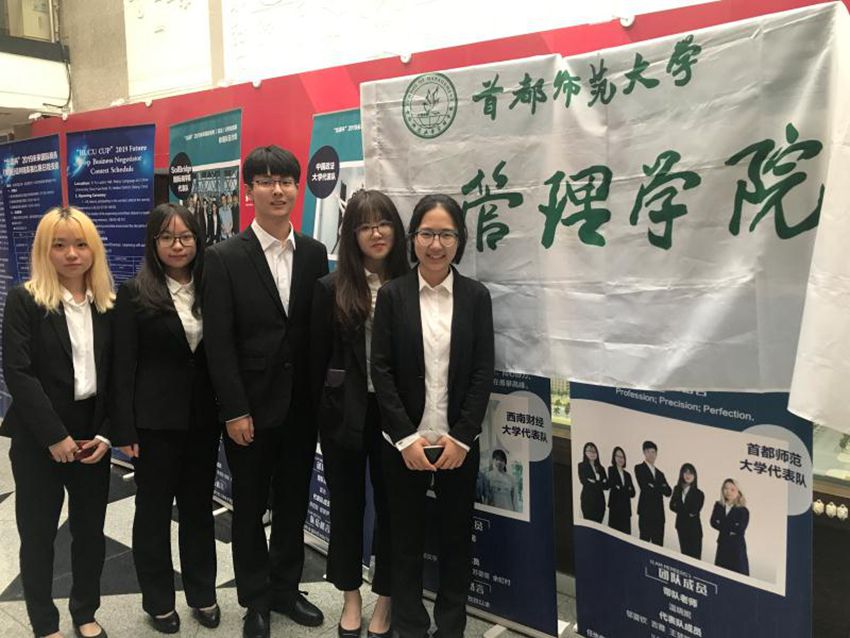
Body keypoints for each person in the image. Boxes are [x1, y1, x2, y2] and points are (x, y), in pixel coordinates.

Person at [203, 145, 329, 638]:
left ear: (298, 188)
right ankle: (255, 599)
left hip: (300, 407)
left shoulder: (314, 253)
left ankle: (285, 589)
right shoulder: (224, 257)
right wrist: (234, 409)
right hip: (249, 410)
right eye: (266, 181)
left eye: (286, 181)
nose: (278, 190)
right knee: (250, 507)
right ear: (249, 190)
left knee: (294, 502)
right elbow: (219, 342)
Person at [372, 193, 495, 638]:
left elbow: (483, 370)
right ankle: (409, 624)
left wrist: (462, 438)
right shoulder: (393, 295)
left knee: (455, 541)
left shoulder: (476, 297)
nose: (436, 244)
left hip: (457, 445)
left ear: (459, 240)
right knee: (404, 540)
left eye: (446, 234)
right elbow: (381, 370)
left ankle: (450, 626)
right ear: (413, 238)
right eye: (427, 233)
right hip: (405, 444)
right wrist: (405, 438)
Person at [2, 206, 115, 638]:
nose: (72, 254)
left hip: (92, 435)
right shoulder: (25, 301)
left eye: (81, 244)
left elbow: (119, 375)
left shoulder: (108, 304)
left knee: (90, 534)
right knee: (38, 536)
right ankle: (44, 622)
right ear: (44, 251)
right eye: (60, 245)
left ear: (94, 250)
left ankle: (85, 612)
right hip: (38, 437)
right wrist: (54, 436)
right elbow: (18, 372)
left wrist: (106, 434)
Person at [111, 203, 221, 633]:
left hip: (203, 420)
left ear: (198, 240)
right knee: (153, 512)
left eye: (186, 236)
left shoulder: (212, 287)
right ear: (153, 243)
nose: (178, 245)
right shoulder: (134, 293)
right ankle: (158, 600)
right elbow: (123, 366)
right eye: (167, 237)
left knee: (198, 509)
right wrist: (124, 428)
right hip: (153, 423)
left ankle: (202, 592)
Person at [310, 189, 408, 638]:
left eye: (383, 223)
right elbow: (315, 361)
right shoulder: (330, 288)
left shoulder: (410, 285)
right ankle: (350, 597)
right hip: (343, 415)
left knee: (393, 509)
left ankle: (385, 599)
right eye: (365, 226)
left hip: (397, 416)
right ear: (351, 234)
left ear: (396, 230)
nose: (376, 233)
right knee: (347, 507)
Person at [634, 440, 672, 545]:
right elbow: (644, 487)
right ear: (644, 452)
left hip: (659, 515)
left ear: (656, 454)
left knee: (658, 545)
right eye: (648, 452)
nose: (651, 455)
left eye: (653, 452)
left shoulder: (660, 473)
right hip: (645, 512)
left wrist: (653, 485)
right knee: (644, 543)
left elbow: (668, 492)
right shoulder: (639, 468)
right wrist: (660, 486)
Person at [710, 478, 750, 575]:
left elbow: (739, 530)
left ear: (738, 492)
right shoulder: (719, 505)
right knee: (720, 574)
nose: (728, 492)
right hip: (722, 544)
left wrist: (722, 524)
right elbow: (713, 522)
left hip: (736, 548)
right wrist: (730, 527)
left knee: (738, 576)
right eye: (726, 488)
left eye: (732, 489)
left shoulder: (743, 510)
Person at [669, 463, 704, 559]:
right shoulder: (677, 489)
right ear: (682, 474)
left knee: (695, 558)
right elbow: (671, 506)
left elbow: (693, 511)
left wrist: (679, 507)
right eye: (686, 472)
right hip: (681, 527)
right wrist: (685, 509)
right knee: (684, 556)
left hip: (694, 530)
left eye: (691, 473)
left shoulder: (699, 494)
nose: (688, 475)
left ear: (694, 476)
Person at [607, 446, 635, 534]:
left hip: (626, 509)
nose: (620, 459)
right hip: (615, 508)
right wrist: (626, 489)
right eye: (618, 456)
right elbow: (612, 485)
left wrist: (621, 488)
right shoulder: (611, 470)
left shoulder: (628, 475)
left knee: (626, 536)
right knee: (613, 535)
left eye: (622, 457)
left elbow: (633, 493)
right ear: (614, 457)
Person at [578, 442, 608, 522]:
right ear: (585, 453)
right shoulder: (581, 465)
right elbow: (584, 481)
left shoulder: (601, 468)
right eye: (589, 451)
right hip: (588, 500)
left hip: (600, 501)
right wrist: (600, 482)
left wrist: (594, 482)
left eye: (594, 451)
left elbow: (606, 486)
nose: (592, 453)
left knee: (598, 524)